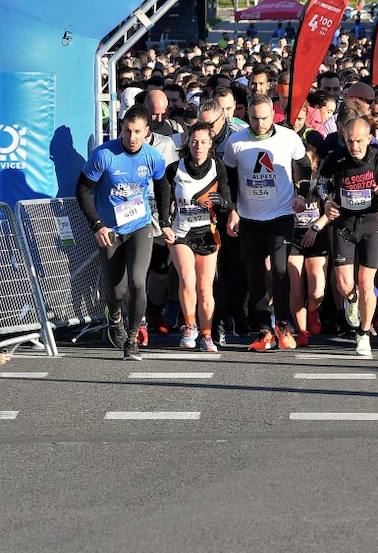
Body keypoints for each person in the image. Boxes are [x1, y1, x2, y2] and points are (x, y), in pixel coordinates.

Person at [76, 106, 169, 361]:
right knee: (117, 291)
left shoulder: (152, 157)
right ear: (121, 129)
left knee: (138, 282)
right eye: (127, 131)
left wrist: (166, 220)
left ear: (147, 132)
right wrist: (97, 225)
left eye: (138, 132)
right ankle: (114, 317)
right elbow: (82, 190)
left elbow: (163, 186)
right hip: (110, 229)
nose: (132, 137)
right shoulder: (104, 155)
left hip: (139, 225)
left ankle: (132, 338)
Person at [223, 95, 308, 352]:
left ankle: (283, 325)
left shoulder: (288, 137)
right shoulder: (235, 142)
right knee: (255, 276)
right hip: (250, 218)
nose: (259, 123)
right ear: (247, 116)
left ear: (274, 114)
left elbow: (304, 166)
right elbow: (227, 179)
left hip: (281, 215)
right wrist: (233, 209)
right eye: (254, 118)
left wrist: (302, 193)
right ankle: (263, 329)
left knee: (281, 273)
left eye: (264, 117)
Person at [317, 115, 378, 358]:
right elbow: (321, 184)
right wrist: (326, 202)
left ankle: (364, 334)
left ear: (370, 138)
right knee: (345, 284)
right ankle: (353, 300)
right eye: (349, 141)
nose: (354, 147)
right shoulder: (336, 157)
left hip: (370, 225)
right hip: (343, 225)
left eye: (359, 141)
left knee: (367, 282)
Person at [158, 122, 236, 353]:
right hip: (181, 232)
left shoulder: (217, 167)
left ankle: (206, 334)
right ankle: (190, 326)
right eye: (194, 141)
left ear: (210, 144)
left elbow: (227, 202)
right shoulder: (174, 169)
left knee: (205, 288)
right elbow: (162, 195)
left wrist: (220, 204)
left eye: (203, 142)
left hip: (207, 232)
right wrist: (164, 223)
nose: (198, 146)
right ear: (187, 143)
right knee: (187, 278)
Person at [288, 135, 330, 346]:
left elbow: (331, 211)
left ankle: (313, 310)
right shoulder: (287, 186)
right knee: (296, 286)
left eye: (307, 163)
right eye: (298, 165)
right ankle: (302, 331)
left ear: (314, 163)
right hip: (293, 240)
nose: (302, 168)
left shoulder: (320, 185)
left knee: (317, 290)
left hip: (317, 237)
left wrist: (315, 228)